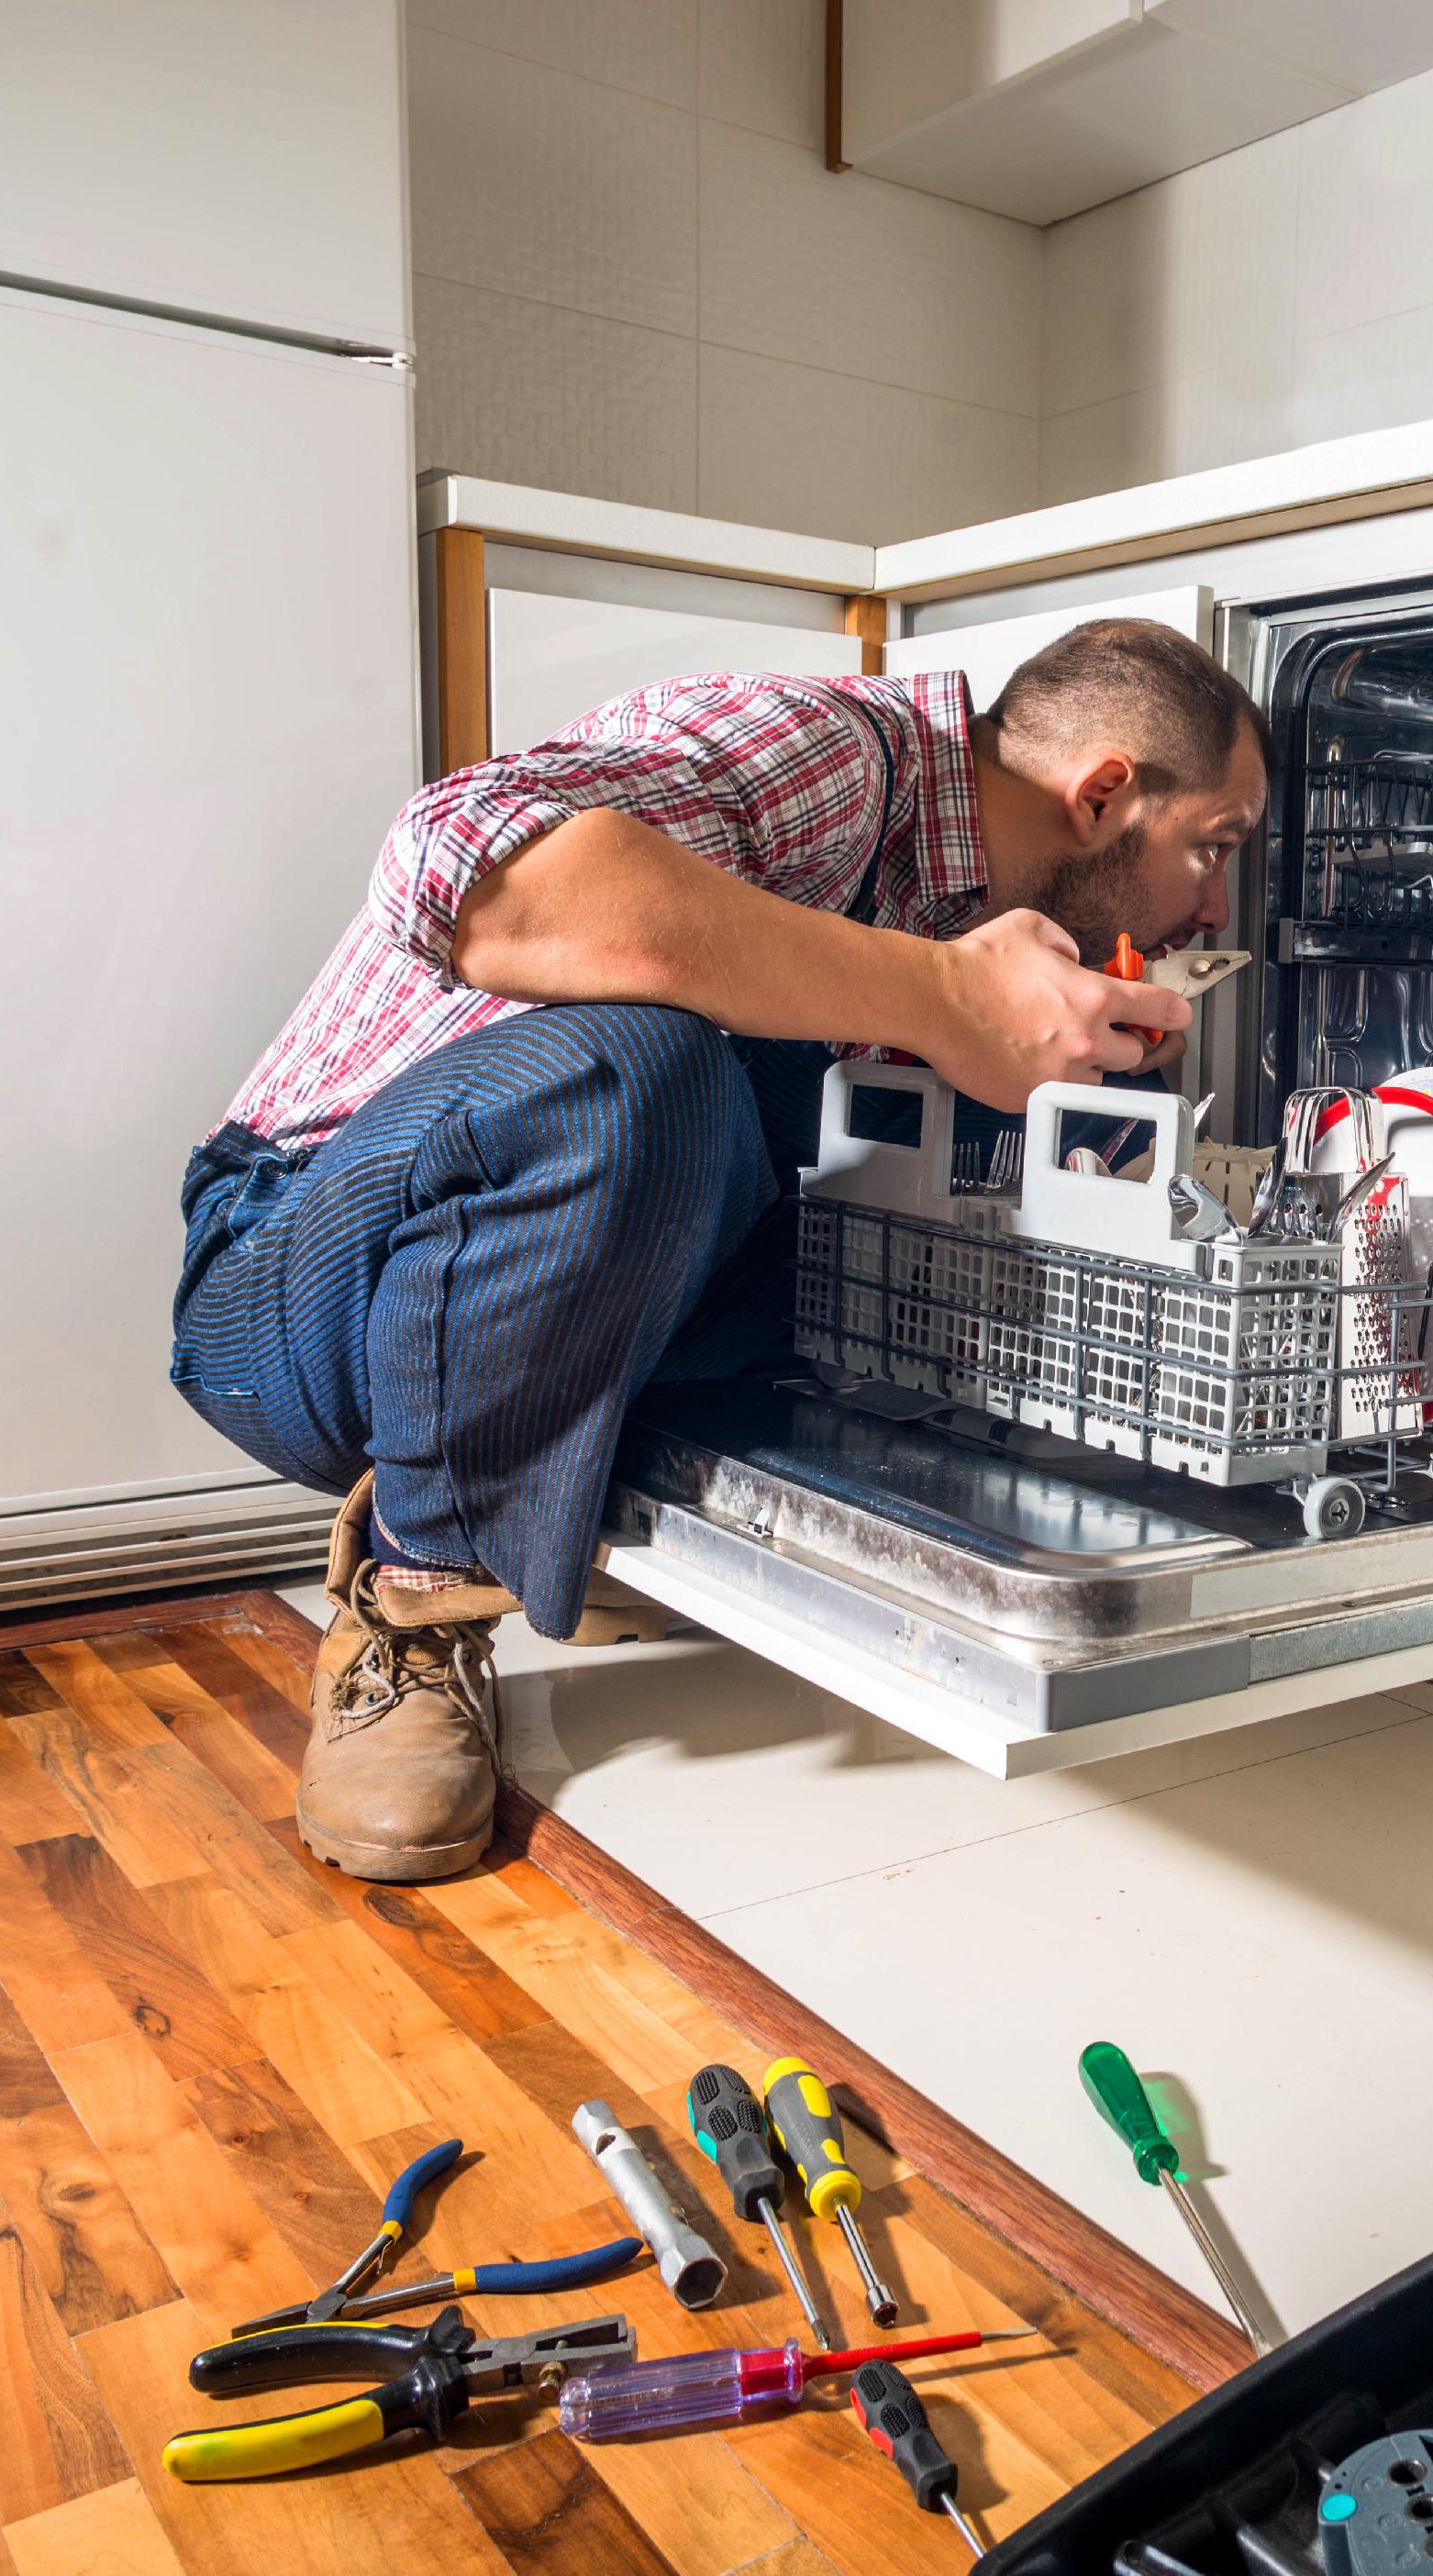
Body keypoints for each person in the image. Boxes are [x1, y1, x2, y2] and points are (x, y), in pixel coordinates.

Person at [172, 619, 1265, 1880]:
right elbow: (461, 860)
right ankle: (415, 1607)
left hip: (523, 1309)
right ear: (1105, 794)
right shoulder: (837, 754)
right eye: (1212, 849)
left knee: (864, 1189)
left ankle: (573, 1501)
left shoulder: (961, 918)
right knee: (640, 1069)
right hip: (292, 1284)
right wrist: (943, 1001)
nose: (1216, 909)